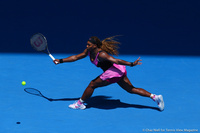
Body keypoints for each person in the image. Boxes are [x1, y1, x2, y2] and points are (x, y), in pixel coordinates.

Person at [53, 36, 164, 111]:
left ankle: (80, 103)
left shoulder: (102, 54)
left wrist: (131, 64)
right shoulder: (88, 51)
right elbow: (76, 57)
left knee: (92, 84)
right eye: (86, 44)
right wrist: (61, 60)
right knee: (131, 89)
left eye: (89, 45)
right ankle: (155, 97)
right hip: (118, 70)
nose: (86, 46)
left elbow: (116, 60)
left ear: (95, 46)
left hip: (113, 72)